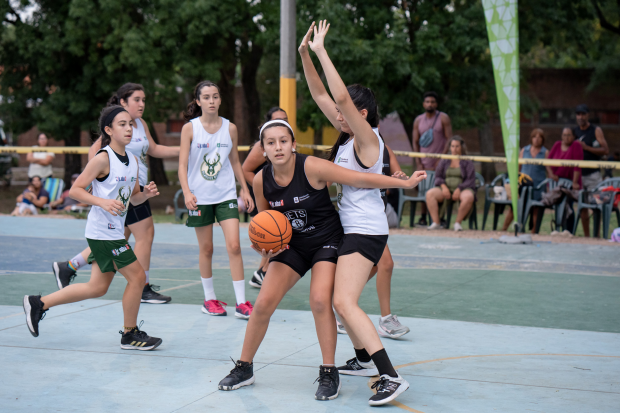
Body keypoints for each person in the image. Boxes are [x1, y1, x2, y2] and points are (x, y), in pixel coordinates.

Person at [217, 119, 426, 399]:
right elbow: (264, 223)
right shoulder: (260, 180)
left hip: (326, 242)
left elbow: (360, 179)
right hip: (292, 247)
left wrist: (404, 182)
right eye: (270, 142)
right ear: (263, 150)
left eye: (283, 140)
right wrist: (264, 248)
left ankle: (329, 371)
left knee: (319, 300)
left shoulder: (311, 167)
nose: (277, 147)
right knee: (263, 303)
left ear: (293, 144)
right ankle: (244, 367)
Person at [301, 21, 412, 405]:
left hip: (365, 231)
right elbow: (319, 93)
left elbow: (340, 100)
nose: (337, 112)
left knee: (343, 302)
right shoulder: (349, 138)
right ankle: (364, 355)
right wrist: (304, 55)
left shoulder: (368, 139)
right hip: (357, 230)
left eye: (344, 108)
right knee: (340, 299)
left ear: (361, 112)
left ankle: (390, 376)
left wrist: (322, 51)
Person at [23, 105, 162, 350]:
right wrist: (102, 202)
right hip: (102, 232)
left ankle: (38, 303)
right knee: (138, 277)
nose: (129, 128)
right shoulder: (102, 158)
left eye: (130, 123)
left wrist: (146, 195)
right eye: (122, 124)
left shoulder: (133, 161)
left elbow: (132, 198)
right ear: (108, 130)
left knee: (97, 288)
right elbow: (75, 190)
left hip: (113, 231)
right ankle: (129, 334)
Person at [52, 83, 179, 304]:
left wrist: (184, 150)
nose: (142, 104)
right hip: (119, 191)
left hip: (133, 191)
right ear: (123, 102)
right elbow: (97, 155)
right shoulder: (112, 132)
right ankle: (143, 287)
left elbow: (154, 148)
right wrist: (99, 185)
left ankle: (69, 266)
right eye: (137, 99)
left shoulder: (139, 125)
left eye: (144, 99)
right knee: (144, 235)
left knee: (119, 238)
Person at [178, 80, 254, 319]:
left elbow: (234, 162)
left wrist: (244, 189)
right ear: (198, 101)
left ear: (220, 100)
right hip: (199, 197)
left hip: (225, 195)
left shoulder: (230, 128)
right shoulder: (189, 129)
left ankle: (241, 303)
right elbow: (181, 166)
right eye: (207, 97)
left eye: (215, 96)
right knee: (207, 249)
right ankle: (209, 299)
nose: (211, 101)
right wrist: (187, 192)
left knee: (234, 246)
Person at [335, 144, 410, 339]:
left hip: (375, 217)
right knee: (385, 263)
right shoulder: (350, 148)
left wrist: (399, 177)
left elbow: (397, 172)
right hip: (358, 219)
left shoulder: (384, 148)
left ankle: (342, 303)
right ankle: (383, 319)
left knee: (378, 266)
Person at [242, 107, 288, 289]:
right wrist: (266, 190)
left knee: (276, 236)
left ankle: (262, 273)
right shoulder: (261, 146)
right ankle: (263, 272)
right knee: (272, 234)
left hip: (279, 196)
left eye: (285, 120)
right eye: (277, 120)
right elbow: (246, 170)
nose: (281, 123)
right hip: (265, 196)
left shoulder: (286, 140)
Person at [412, 92, 453, 226]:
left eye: (433, 102)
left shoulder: (443, 118)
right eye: (427, 102)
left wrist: (441, 159)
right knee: (423, 188)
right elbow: (415, 142)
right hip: (424, 162)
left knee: (439, 189)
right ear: (424, 104)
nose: (430, 104)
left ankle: (440, 218)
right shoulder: (418, 120)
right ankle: (423, 218)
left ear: (436, 104)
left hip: (440, 163)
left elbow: (449, 139)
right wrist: (418, 162)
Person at [426, 136, 476, 231]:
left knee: (469, 197)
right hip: (446, 188)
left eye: (457, 146)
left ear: (461, 147)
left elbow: (470, 180)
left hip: (462, 188)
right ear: (449, 147)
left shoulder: (467, 161)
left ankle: (458, 223)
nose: (454, 149)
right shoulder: (445, 160)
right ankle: (436, 222)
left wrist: (459, 189)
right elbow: (438, 176)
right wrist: (444, 187)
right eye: (452, 146)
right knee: (430, 194)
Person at [502, 128, 548, 232]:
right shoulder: (524, 150)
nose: (537, 139)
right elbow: (518, 168)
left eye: (539, 137)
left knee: (535, 209)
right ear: (531, 138)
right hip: (523, 186)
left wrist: (549, 186)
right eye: (534, 137)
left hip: (538, 187)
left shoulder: (545, 152)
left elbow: (549, 170)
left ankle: (534, 232)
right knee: (514, 207)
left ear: (543, 139)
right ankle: (503, 229)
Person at [574, 104, 609, 237]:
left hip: (593, 174)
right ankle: (587, 236)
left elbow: (605, 150)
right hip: (579, 175)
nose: (580, 117)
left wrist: (586, 148)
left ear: (588, 115)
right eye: (578, 114)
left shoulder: (595, 130)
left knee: (597, 205)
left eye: (583, 114)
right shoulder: (574, 131)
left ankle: (597, 235)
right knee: (582, 206)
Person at [546, 127, 583, 232]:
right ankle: (557, 228)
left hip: (570, 183)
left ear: (573, 136)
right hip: (556, 182)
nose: (566, 138)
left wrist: (575, 182)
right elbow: (547, 162)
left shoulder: (576, 145)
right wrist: (551, 174)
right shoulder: (557, 144)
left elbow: (577, 165)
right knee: (556, 205)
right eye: (564, 135)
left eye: (569, 135)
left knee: (568, 206)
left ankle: (568, 231)